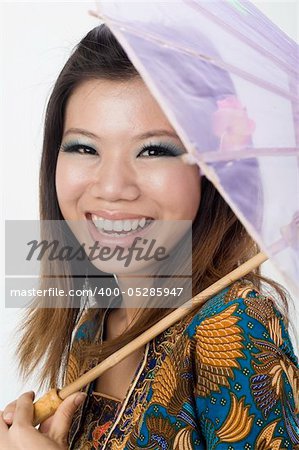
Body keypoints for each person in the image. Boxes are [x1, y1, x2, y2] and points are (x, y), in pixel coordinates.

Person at [1, 24, 299, 450]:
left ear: (211, 171)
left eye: (154, 150)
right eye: (85, 148)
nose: (112, 186)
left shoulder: (236, 326)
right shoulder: (94, 323)